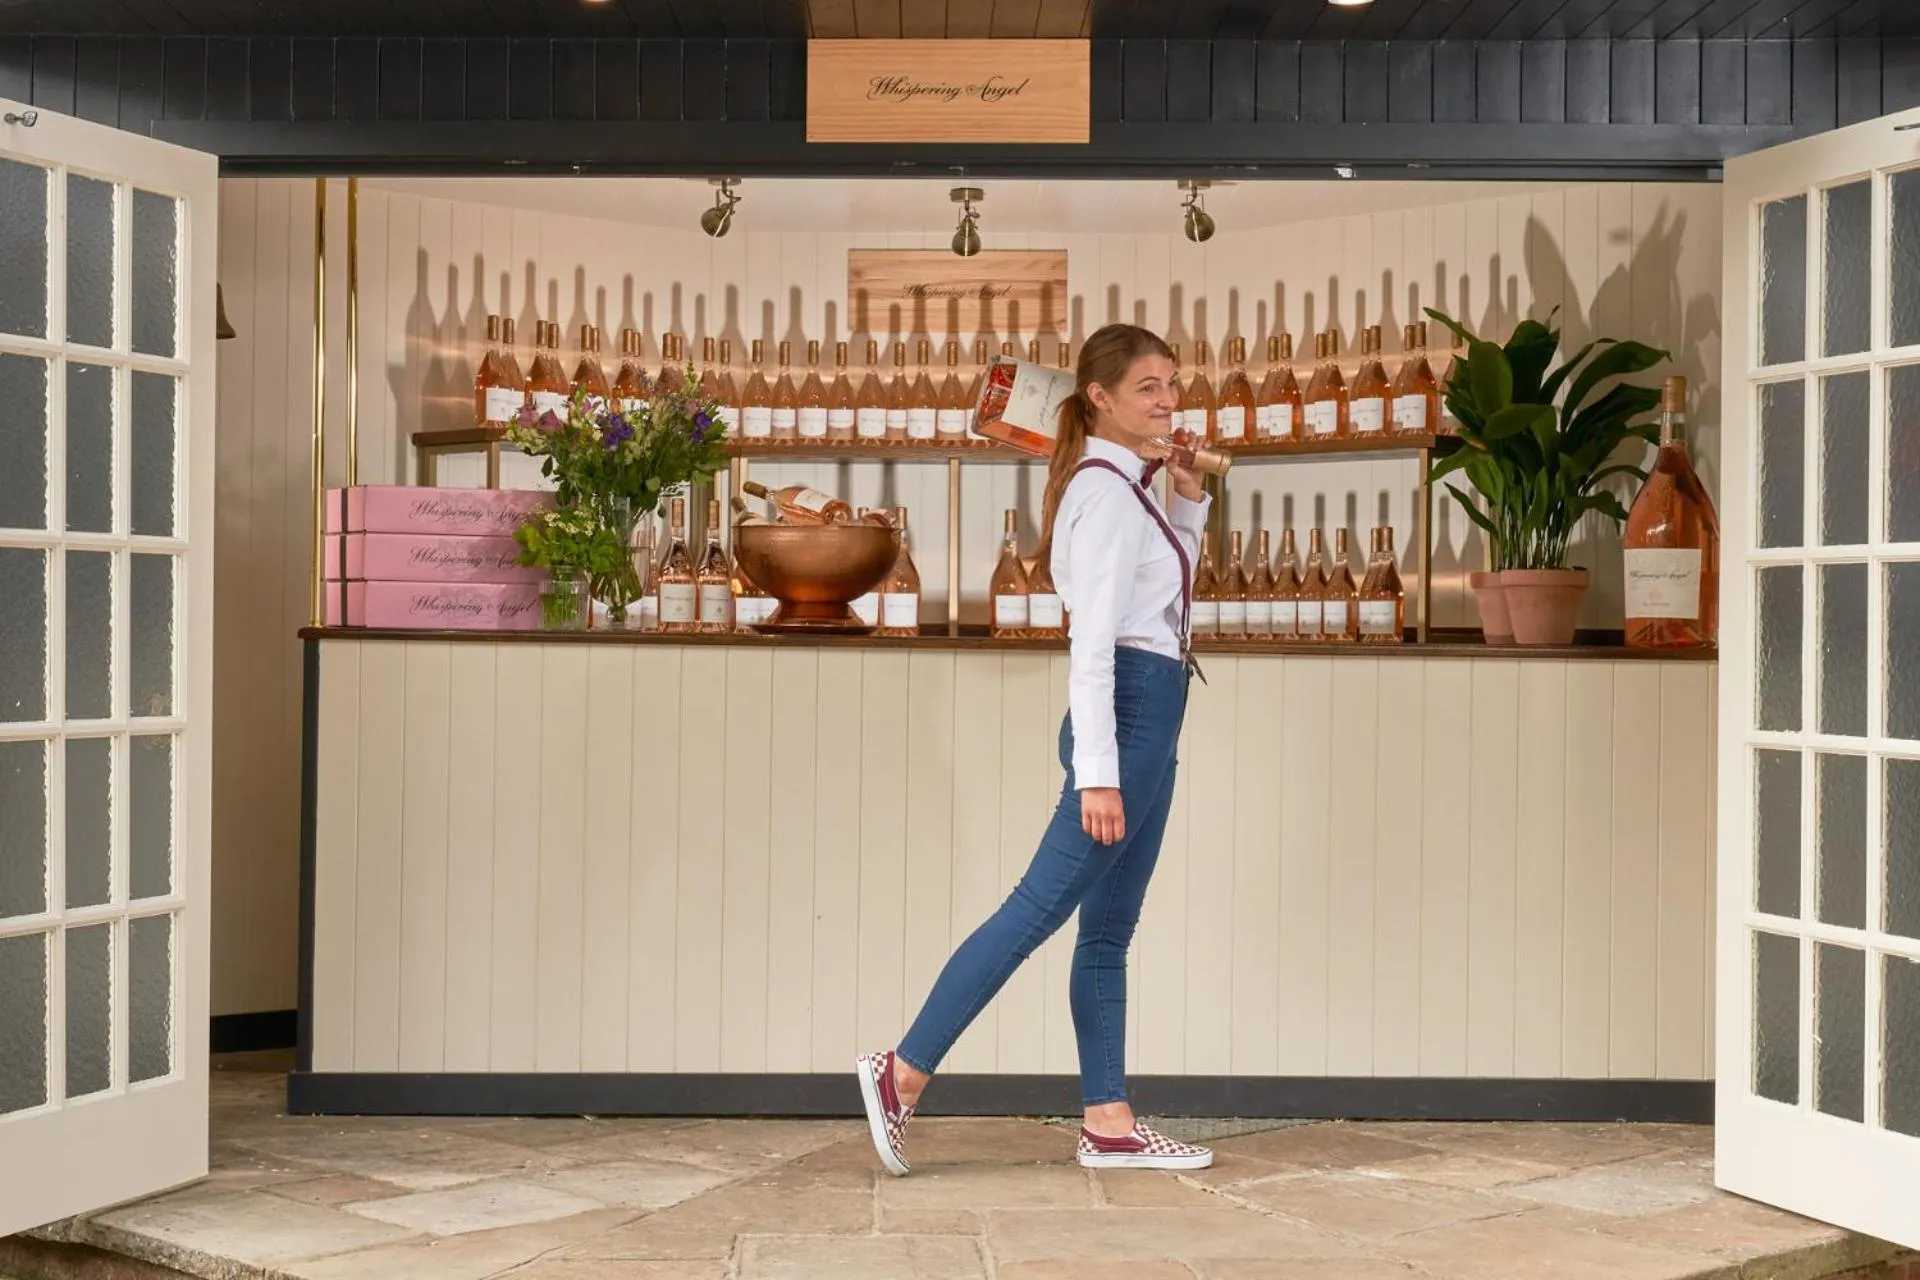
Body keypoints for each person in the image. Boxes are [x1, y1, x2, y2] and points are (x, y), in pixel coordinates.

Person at [856, 323, 1214, 1176]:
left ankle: (1109, 1120)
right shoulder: (1103, 491)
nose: (1168, 401)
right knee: (1035, 911)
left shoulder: (1133, 487)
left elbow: (1164, 610)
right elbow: (1093, 646)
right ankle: (900, 1073)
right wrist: (1099, 775)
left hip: (1151, 715)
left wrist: (1189, 499)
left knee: (1107, 933)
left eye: (1172, 384)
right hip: (1125, 721)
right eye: (1148, 389)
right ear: (1100, 398)